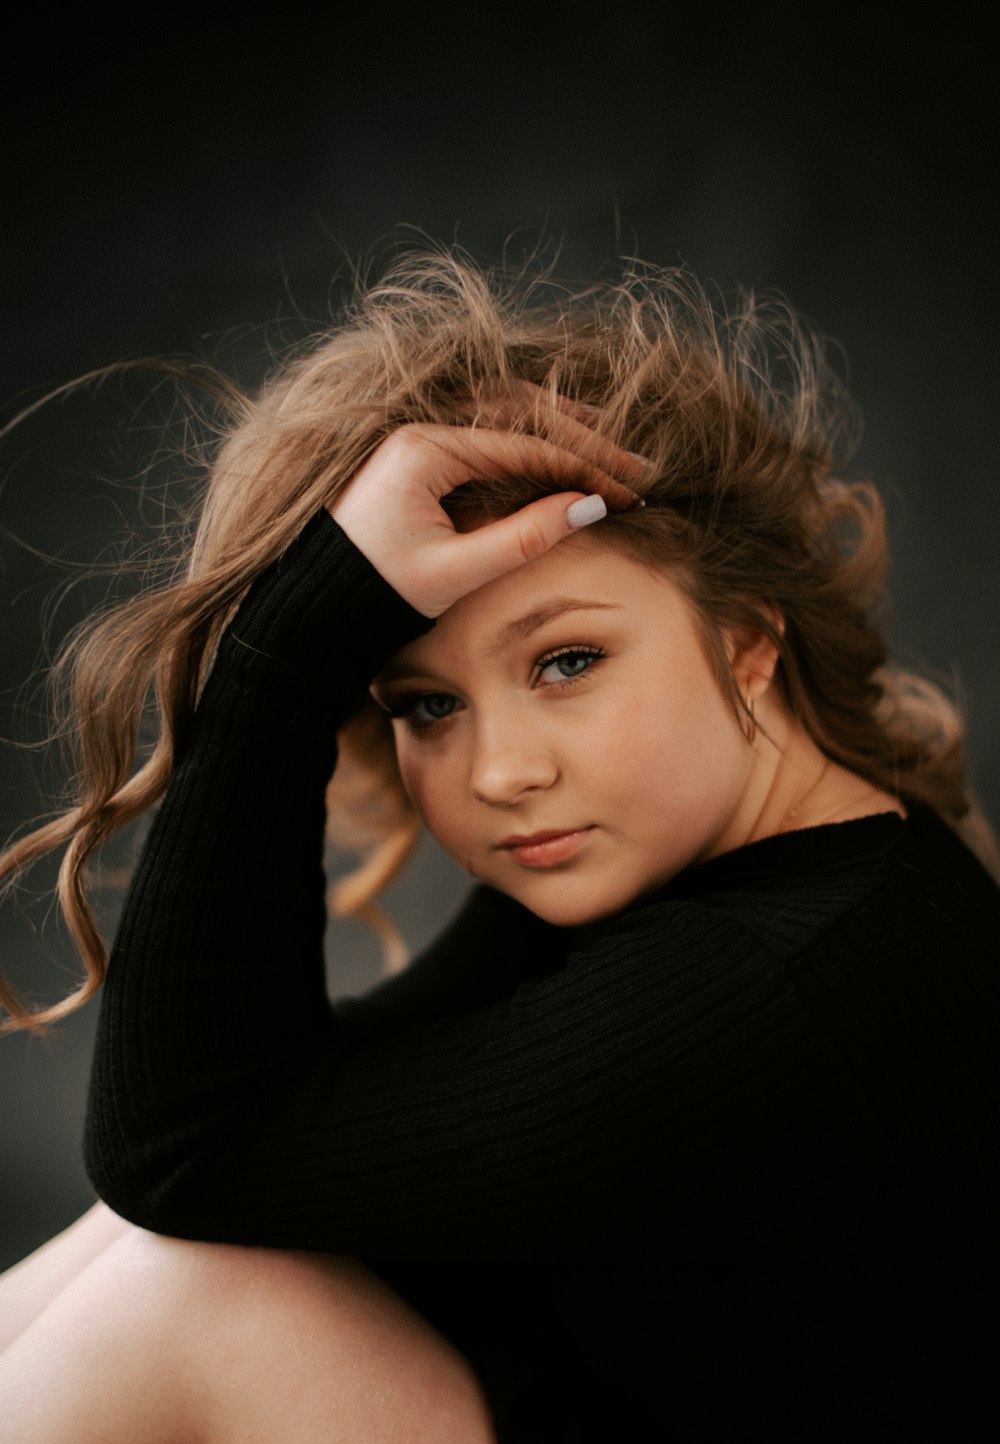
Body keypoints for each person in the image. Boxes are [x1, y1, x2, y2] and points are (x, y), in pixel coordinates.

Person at [0, 252, 997, 1443]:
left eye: (565, 661)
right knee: (158, 1250)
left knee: (195, 1290)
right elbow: (242, 1131)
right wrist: (312, 625)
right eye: (423, 704)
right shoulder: (724, 861)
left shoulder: (767, 983)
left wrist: (282, 656)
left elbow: (183, 1147)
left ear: (745, 640)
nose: (498, 773)